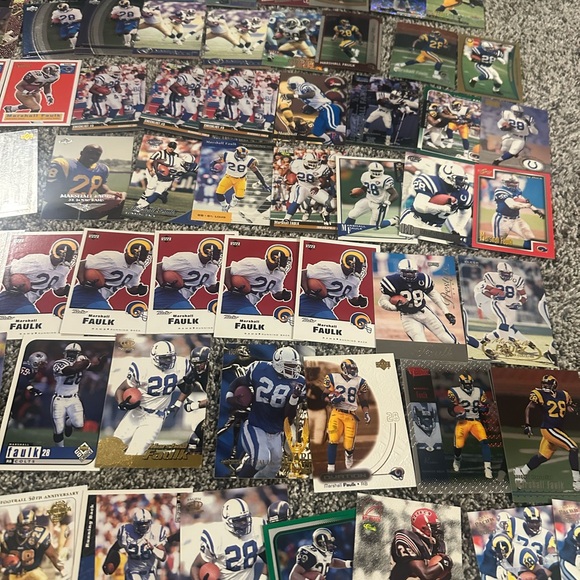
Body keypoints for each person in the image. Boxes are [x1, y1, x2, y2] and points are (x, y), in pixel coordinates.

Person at [225, 346, 305, 478]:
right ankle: (239, 479)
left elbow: (288, 417)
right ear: (278, 364)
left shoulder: (300, 382)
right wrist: (229, 396)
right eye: (289, 366)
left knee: (273, 469)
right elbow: (240, 380)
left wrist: (294, 398)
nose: (294, 370)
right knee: (261, 459)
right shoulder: (259, 368)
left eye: (295, 366)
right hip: (256, 425)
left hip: (276, 431)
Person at [113, 340, 191, 455]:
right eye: (164, 358)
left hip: (155, 417)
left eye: (170, 358)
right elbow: (121, 389)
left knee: (134, 453)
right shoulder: (142, 367)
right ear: (154, 357)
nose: (168, 361)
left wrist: (178, 403)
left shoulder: (181, 365)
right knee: (113, 447)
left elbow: (187, 388)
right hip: (136, 412)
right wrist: (121, 403)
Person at [513, 374, 580, 492]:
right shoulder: (540, 394)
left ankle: (522, 471)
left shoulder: (564, 394)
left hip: (556, 429)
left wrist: (573, 409)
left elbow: (568, 408)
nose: (545, 386)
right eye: (543, 384)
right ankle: (577, 481)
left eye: (547, 384)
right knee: (573, 448)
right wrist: (527, 424)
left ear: (554, 385)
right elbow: (529, 407)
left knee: (543, 456)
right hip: (549, 428)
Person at [378, 257, 457, 343]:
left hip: (424, 312)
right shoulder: (392, 281)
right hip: (408, 317)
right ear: (400, 271)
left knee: (448, 340)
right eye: (406, 272)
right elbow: (382, 301)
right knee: (421, 343)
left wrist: (446, 312)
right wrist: (396, 308)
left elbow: (434, 295)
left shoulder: (422, 278)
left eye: (412, 272)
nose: (409, 275)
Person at [42, 144, 126, 219]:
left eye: (97, 154)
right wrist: (83, 200)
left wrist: (114, 194)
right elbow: (52, 195)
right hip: (60, 208)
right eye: (90, 152)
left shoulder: (102, 169)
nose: (93, 156)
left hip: (83, 207)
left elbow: (100, 187)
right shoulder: (63, 164)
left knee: (120, 201)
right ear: (81, 153)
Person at [190, 498, 266, 580]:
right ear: (227, 521)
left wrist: (263, 577)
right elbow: (196, 567)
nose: (243, 523)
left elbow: (270, 557)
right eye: (238, 521)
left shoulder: (257, 527)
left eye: (244, 519)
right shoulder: (216, 536)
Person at [69, 237, 152, 310]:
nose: (146, 257)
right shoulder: (112, 258)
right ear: (135, 252)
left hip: (100, 298)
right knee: (106, 314)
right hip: (85, 292)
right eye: (145, 254)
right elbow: (81, 264)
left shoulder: (137, 268)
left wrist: (138, 290)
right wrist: (83, 281)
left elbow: (131, 288)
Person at [474, 261, 538, 354]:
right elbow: (484, 290)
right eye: (504, 273)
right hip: (489, 303)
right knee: (504, 324)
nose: (506, 276)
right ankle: (505, 344)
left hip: (505, 304)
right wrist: (492, 296)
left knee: (507, 327)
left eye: (508, 273)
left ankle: (487, 339)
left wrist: (519, 303)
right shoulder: (490, 278)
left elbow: (524, 296)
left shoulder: (517, 279)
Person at [0, 238, 78, 314]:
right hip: (12, 298)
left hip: (27, 303)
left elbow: (58, 290)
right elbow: (6, 270)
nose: (72, 258)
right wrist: (11, 287)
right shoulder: (37, 260)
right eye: (71, 254)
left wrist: (67, 291)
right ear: (60, 252)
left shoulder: (63, 269)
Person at [52, 342, 108, 447]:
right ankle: (60, 449)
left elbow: (96, 369)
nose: (72, 355)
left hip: (74, 397)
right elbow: (71, 370)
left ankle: (68, 422)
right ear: (65, 353)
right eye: (70, 353)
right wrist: (84, 362)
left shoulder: (81, 362)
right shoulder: (60, 363)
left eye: (74, 353)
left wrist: (102, 362)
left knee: (79, 424)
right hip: (59, 398)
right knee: (58, 429)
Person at [321, 359, 371, 472]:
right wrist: (331, 399)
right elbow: (323, 396)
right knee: (333, 439)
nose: (353, 371)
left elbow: (363, 400)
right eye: (350, 369)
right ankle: (330, 468)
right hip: (336, 413)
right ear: (344, 369)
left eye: (354, 369)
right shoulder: (333, 378)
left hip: (350, 415)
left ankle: (349, 454)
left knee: (349, 445)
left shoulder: (360, 381)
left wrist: (366, 413)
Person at [399, 163, 472, 239]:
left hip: (435, 228)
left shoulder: (462, 194)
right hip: (413, 220)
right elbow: (419, 206)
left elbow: (466, 212)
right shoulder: (432, 183)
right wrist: (444, 208)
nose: (462, 182)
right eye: (459, 179)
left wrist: (457, 229)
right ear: (448, 177)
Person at [221, 244, 293, 315]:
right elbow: (227, 271)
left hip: (248, 303)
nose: (286, 264)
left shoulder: (279, 274)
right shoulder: (255, 265)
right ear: (275, 258)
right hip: (234, 298)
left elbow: (276, 293)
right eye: (285, 260)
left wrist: (283, 295)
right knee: (256, 319)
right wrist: (230, 287)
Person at [154, 238, 222, 310]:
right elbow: (158, 266)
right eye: (217, 253)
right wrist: (162, 283)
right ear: (207, 252)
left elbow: (210, 287)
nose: (219, 256)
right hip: (166, 293)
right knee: (189, 313)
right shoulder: (187, 259)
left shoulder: (213, 267)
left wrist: (218, 287)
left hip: (181, 298)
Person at [299, 250, 369, 320]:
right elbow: (303, 273)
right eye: (359, 266)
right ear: (349, 263)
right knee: (332, 322)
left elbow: (352, 298)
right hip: (309, 301)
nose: (360, 270)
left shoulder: (355, 280)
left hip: (325, 308)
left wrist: (359, 301)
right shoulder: (331, 269)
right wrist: (307, 290)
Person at [447, 373, 493, 479]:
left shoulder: (479, 391)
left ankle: (487, 468)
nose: (468, 386)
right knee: (458, 445)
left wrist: (483, 408)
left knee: (485, 442)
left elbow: (485, 407)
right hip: (463, 422)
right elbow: (450, 408)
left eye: (469, 384)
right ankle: (457, 459)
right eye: (466, 384)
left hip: (476, 421)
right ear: (461, 383)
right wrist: (456, 413)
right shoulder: (454, 391)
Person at [102, 508, 167, 578]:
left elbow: (163, 557)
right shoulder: (126, 532)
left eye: (145, 523)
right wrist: (109, 561)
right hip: (132, 571)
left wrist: (153, 549)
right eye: (141, 524)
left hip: (150, 572)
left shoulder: (155, 532)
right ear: (134, 523)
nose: (143, 526)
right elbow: (115, 548)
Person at [389, 508, 453, 579]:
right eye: (433, 527)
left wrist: (445, 570)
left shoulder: (436, 545)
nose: (436, 530)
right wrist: (444, 563)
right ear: (423, 528)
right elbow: (426, 576)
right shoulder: (408, 539)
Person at [0, 509, 66, 577]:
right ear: (18, 525)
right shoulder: (9, 537)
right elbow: (2, 558)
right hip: (14, 574)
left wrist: (62, 570)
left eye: (28, 524)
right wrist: (6, 565)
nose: (25, 528)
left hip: (33, 571)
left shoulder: (39, 536)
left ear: (34, 524)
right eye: (23, 525)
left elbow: (52, 556)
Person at [284, 76, 346, 145]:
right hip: (321, 110)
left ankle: (350, 133)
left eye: (292, 85)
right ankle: (329, 144)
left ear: (298, 83)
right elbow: (314, 100)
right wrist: (311, 108)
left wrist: (294, 96)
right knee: (317, 131)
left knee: (332, 126)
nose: (291, 87)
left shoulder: (304, 86)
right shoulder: (299, 91)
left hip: (327, 107)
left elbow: (312, 94)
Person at [134, 144, 197, 211]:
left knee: (157, 193)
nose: (188, 165)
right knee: (149, 191)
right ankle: (140, 203)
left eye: (190, 164)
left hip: (168, 180)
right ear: (183, 161)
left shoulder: (193, 166)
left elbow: (200, 171)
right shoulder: (174, 161)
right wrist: (157, 171)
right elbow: (156, 161)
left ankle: (140, 207)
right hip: (159, 176)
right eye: (187, 163)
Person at [211, 146, 271, 213]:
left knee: (240, 197)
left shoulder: (249, 160)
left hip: (240, 179)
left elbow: (257, 173)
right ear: (237, 152)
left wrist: (264, 184)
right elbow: (215, 161)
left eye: (244, 155)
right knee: (219, 193)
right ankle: (224, 206)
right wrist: (212, 166)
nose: (242, 156)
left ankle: (234, 198)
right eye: (241, 154)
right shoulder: (228, 155)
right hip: (228, 177)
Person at [491, 173, 544, 244]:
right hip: (502, 220)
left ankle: (527, 251)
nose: (513, 185)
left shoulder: (517, 191)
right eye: (510, 183)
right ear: (504, 183)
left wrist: (535, 210)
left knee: (529, 237)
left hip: (516, 219)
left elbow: (523, 200)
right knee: (498, 242)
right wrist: (527, 205)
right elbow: (512, 205)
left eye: (514, 183)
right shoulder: (500, 191)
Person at [281, 151, 333, 224]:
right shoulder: (296, 164)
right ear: (305, 161)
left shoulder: (321, 168)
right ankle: (287, 219)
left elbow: (324, 181)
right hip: (303, 187)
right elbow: (289, 169)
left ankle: (325, 214)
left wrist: (318, 187)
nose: (313, 164)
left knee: (333, 204)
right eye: (311, 162)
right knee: (297, 201)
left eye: (315, 162)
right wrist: (285, 178)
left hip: (315, 189)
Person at [345, 161, 399, 229]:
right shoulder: (365, 176)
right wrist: (360, 192)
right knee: (352, 215)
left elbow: (395, 194)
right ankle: (345, 230)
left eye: (379, 171)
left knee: (374, 226)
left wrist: (387, 202)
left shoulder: (385, 179)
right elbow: (365, 188)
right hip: (368, 200)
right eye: (374, 171)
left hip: (379, 204)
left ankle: (394, 220)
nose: (377, 173)